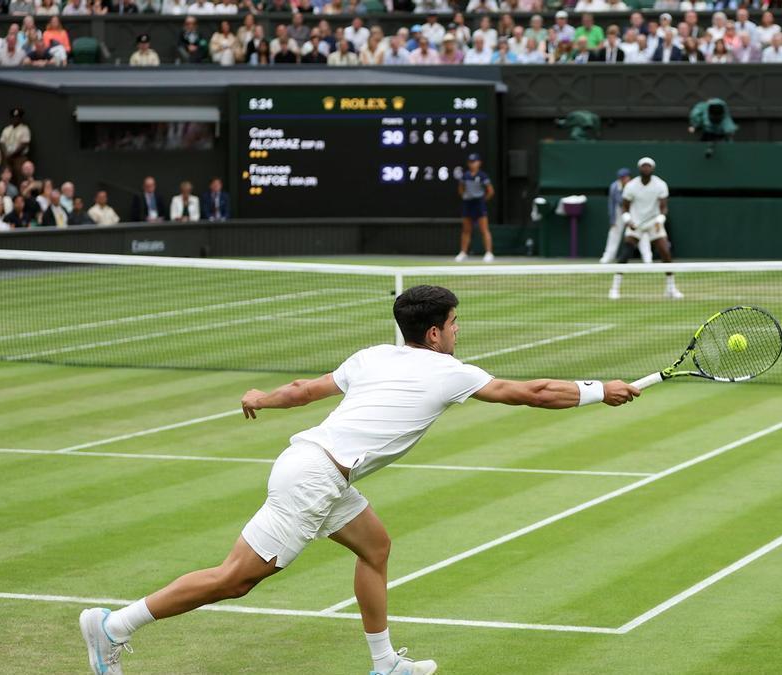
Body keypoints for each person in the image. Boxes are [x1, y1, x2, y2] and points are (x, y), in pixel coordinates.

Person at [79, 285, 641, 675]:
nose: (457, 330)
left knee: (376, 547)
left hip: (315, 467)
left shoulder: (371, 356)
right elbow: (534, 393)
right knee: (234, 580)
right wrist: (600, 390)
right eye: (452, 324)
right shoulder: (450, 373)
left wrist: (261, 398)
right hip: (313, 480)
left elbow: (303, 390)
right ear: (432, 334)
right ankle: (115, 625)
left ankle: (384, 662)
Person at [609, 157, 682, 300]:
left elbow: (663, 206)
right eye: (643, 166)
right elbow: (625, 206)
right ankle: (614, 288)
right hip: (635, 222)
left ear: (652, 168)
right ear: (639, 168)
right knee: (626, 253)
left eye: (648, 166)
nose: (646, 168)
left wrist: (660, 219)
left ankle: (671, 289)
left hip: (654, 222)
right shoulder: (631, 186)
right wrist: (627, 220)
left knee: (665, 252)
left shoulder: (660, 184)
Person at [599, 167, 653, 264]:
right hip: (619, 212)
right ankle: (607, 257)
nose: (623, 179)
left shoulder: (635, 186)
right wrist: (613, 220)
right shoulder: (614, 187)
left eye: (625, 177)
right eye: (621, 178)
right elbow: (612, 204)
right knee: (614, 234)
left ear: (629, 177)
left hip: (634, 212)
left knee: (641, 233)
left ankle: (647, 258)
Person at [455, 153, 493, 263]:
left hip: (479, 204)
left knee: (484, 229)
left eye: (474, 162)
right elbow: (460, 189)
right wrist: (465, 196)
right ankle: (463, 253)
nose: (472, 164)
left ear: (479, 163)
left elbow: (490, 191)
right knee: (466, 230)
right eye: (470, 162)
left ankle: (489, 253)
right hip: (468, 204)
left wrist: (482, 200)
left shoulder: (482, 176)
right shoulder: (465, 176)